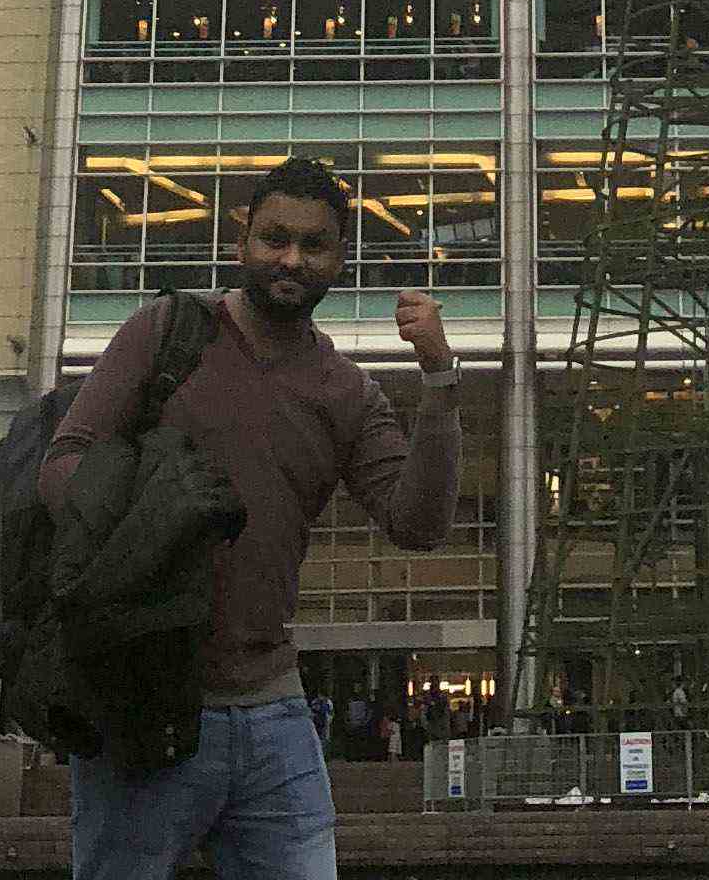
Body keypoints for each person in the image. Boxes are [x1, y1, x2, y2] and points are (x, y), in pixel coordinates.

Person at [41, 156, 460, 880]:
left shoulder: (346, 392)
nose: (291, 259)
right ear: (243, 242)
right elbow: (61, 465)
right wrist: (158, 511)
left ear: (340, 259)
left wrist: (441, 377)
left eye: (314, 244)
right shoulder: (167, 332)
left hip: (274, 709)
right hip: (144, 700)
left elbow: (417, 524)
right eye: (275, 238)